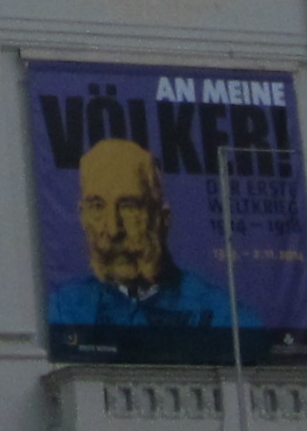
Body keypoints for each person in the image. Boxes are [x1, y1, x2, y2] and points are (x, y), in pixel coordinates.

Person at [46, 140, 240, 337]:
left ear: (162, 219)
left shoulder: (224, 317)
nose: (113, 230)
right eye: (97, 206)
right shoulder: (63, 311)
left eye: (129, 207)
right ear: (82, 216)